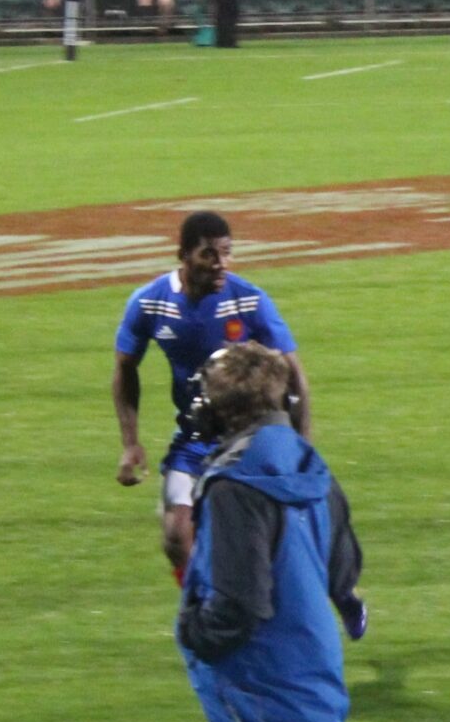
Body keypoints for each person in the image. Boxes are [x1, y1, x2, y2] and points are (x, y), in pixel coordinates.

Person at [174, 343, 366, 722]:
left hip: (267, 698)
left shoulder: (234, 487)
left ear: (219, 412)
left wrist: (193, 630)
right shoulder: (311, 466)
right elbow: (343, 572)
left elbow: (239, 606)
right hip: (293, 680)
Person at [115, 211, 312, 579]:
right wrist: (130, 443)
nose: (221, 264)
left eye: (227, 252)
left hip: (254, 439)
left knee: (275, 535)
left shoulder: (249, 301)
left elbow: (295, 377)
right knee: (176, 536)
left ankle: (333, 590)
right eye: (209, 254)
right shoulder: (150, 303)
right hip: (195, 436)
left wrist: (302, 448)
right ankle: (205, 612)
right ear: (183, 255)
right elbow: (125, 367)